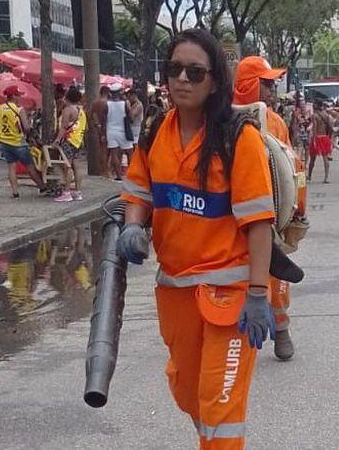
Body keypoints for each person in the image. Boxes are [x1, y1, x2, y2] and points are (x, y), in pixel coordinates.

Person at [116, 29, 277, 448]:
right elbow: (138, 192)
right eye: (174, 70)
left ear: (215, 81)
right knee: (189, 396)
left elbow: (259, 222)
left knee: (220, 410)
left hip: (229, 296)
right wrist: (134, 224)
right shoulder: (156, 132)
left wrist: (259, 294)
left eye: (195, 71)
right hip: (175, 293)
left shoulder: (239, 138)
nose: (182, 79)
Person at [234, 55, 299, 362]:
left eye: (273, 84)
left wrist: (297, 214)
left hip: (267, 215)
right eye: (266, 83)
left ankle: (282, 330)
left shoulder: (275, 122)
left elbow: (290, 170)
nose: (273, 90)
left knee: (273, 274)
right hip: (230, 216)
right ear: (248, 85)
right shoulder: (220, 118)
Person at [0, 86, 47, 198]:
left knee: (11, 167)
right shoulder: (19, 109)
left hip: (4, 141)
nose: (20, 97)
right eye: (18, 95)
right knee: (30, 166)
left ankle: (15, 192)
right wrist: (28, 120)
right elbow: (27, 127)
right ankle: (42, 187)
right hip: (18, 141)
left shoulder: (0, 108)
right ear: (13, 96)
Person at [53, 86, 86, 202]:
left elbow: (63, 127)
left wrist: (57, 140)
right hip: (79, 141)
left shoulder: (68, 110)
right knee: (77, 167)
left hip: (68, 140)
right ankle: (77, 192)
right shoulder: (81, 111)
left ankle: (67, 192)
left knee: (68, 166)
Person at [105, 84, 130, 181]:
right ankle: (132, 175)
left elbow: (104, 120)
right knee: (129, 152)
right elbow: (130, 117)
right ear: (120, 92)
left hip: (110, 130)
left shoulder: (107, 104)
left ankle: (119, 176)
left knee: (114, 154)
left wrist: (103, 133)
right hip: (123, 130)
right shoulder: (125, 104)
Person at [308, 99, 334, 183]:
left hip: (317, 137)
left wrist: (314, 139)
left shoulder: (314, 115)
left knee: (312, 158)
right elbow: (330, 126)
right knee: (325, 157)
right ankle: (326, 177)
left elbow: (314, 128)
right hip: (325, 137)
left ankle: (309, 175)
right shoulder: (326, 115)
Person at [90, 86, 110, 177]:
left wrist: (96, 124)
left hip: (97, 127)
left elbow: (90, 114)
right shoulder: (108, 103)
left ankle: (102, 170)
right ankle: (106, 171)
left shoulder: (95, 103)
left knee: (101, 149)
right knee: (108, 150)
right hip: (107, 127)